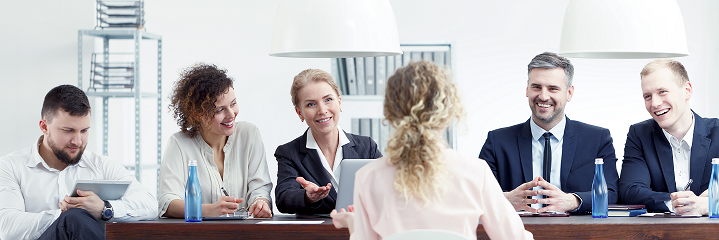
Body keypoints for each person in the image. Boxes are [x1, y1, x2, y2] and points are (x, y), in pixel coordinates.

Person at [330, 61, 532, 239]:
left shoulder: (368, 177)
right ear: (449, 109)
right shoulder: (476, 172)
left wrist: (354, 223)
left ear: (391, 111)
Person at [0, 85, 157, 240]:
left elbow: (150, 206)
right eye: (68, 130)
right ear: (44, 127)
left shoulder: (102, 166)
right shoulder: (10, 166)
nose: (77, 141)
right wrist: (65, 215)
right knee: (73, 219)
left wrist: (104, 208)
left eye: (84, 131)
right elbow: (7, 226)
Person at [478, 52, 619, 214]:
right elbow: (474, 195)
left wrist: (572, 201)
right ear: (527, 90)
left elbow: (612, 193)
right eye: (536, 87)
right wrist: (506, 199)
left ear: (569, 93)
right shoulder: (497, 141)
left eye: (553, 88)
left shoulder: (597, 139)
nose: (543, 96)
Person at [159, 64, 273, 218]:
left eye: (233, 104)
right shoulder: (178, 143)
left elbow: (260, 187)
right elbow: (167, 202)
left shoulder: (249, 134)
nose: (231, 114)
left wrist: (260, 202)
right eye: (220, 110)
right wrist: (206, 210)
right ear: (197, 113)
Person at [275, 69, 382, 214]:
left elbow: (389, 186)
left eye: (328, 100)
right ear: (299, 112)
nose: (322, 110)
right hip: (317, 235)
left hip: (360, 230)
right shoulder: (289, 152)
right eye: (311, 104)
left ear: (339, 102)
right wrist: (308, 197)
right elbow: (283, 199)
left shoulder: (367, 146)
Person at [619, 58, 719, 214]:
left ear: (687, 90)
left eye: (662, 92)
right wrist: (680, 203)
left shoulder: (717, 132)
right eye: (647, 96)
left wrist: (707, 205)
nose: (655, 103)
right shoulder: (639, 134)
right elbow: (630, 191)